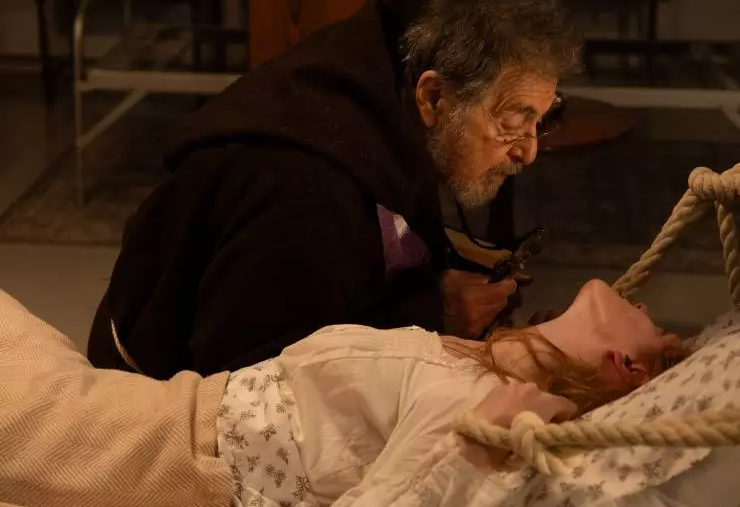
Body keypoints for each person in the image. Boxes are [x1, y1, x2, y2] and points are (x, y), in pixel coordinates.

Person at [87, 0, 582, 378]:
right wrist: (431, 315)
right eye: (513, 121)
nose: (529, 151)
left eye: (540, 121)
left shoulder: (383, 84)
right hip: (164, 407)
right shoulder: (307, 193)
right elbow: (254, 393)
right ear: (433, 97)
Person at [2, 279, 688, 507]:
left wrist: (474, 445)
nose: (641, 304)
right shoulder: (475, 357)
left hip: (155, 452)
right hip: (147, 412)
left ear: (627, 364)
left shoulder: (473, 403)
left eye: (654, 330)